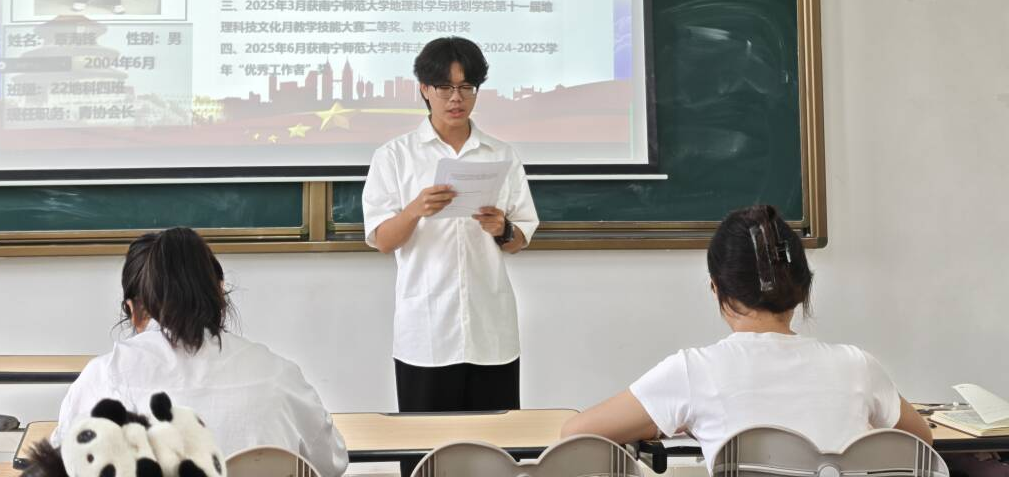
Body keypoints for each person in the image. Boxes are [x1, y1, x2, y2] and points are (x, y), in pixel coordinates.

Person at [560, 204, 932, 466]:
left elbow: (576, 435)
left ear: (716, 288)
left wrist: (664, 419)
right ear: (803, 287)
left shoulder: (693, 372)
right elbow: (921, 443)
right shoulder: (858, 366)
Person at [54, 228, 348, 476]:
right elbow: (331, 463)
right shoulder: (277, 375)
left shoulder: (105, 376)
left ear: (136, 308)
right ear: (219, 293)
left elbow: (63, 459)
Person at [361, 36, 539, 413]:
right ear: (424, 89)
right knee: (426, 443)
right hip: (426, 333)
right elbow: (382, 241)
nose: (456, 98)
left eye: (466, 87)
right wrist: (414, 210)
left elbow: (519, 238)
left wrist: (503, 229)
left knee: (496, 443)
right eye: (445, 87)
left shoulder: (501, 155)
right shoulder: (395, 156)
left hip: (490, 330)